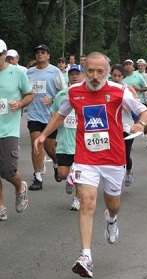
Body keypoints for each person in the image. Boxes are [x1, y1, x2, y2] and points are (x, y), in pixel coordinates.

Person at [34, 52, 147, 278]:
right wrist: (43, 135)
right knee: (87, 201)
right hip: (86, 158)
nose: (95, 76)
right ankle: (85, 256)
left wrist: (140, 124)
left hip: (114, 159)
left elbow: (143, 111)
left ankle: (112, 219)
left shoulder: (119, 91)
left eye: (100, 71)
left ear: (107, 72)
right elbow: (59, 115)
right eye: (90, 71)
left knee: (113, 204)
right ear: (84, 70)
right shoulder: (74, 92)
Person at [0, 39, 34, 221]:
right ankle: (1, 206)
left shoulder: (18, 72)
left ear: (5, 55)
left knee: (7, 170)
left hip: (8, 129)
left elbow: (30, 94)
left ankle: (20, 186)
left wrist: (20, 103)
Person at [27, 44, 67, 191]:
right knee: (36, 144)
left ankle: (56, 163)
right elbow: (25, 90)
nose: (40, 55)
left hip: (50, 116)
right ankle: (37, 176)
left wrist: (51, 99)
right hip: (34, 115)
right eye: (37, 53)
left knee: (50, 148)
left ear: (48, 56)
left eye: (43, 53)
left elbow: (64, 92)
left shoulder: (55, 72)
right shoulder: (29, 73)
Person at [51, 64, 84, 211]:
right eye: (72, 74)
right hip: (64, 142)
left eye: (77, 74)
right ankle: (69, 179)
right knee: (62, 174)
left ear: (83, 76)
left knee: (80, 175)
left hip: (81, 144)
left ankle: (77, 199)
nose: (75, 77)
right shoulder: (61, 95)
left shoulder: (88, 94)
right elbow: (54, 115)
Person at [110, 63, 137, 187]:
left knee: (125, 153)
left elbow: (136, 105)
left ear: (122, 76)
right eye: (114, 75)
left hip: (127, 125)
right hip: (113, 126)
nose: (116, 78)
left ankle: (129, 170)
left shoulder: (128, 89)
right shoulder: (107, 88)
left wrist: (128, 106)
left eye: (119, 76)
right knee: (114, 152)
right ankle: (117, 176)